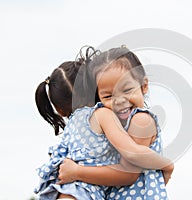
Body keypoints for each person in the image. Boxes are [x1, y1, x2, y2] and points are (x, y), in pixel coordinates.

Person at [34, 46, 173, 200]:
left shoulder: (141, 119)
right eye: (108, 96)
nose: (119, 101)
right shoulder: (110, 124)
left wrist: (166, 165)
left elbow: (129, 173)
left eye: (126, 90)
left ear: (144, 86)